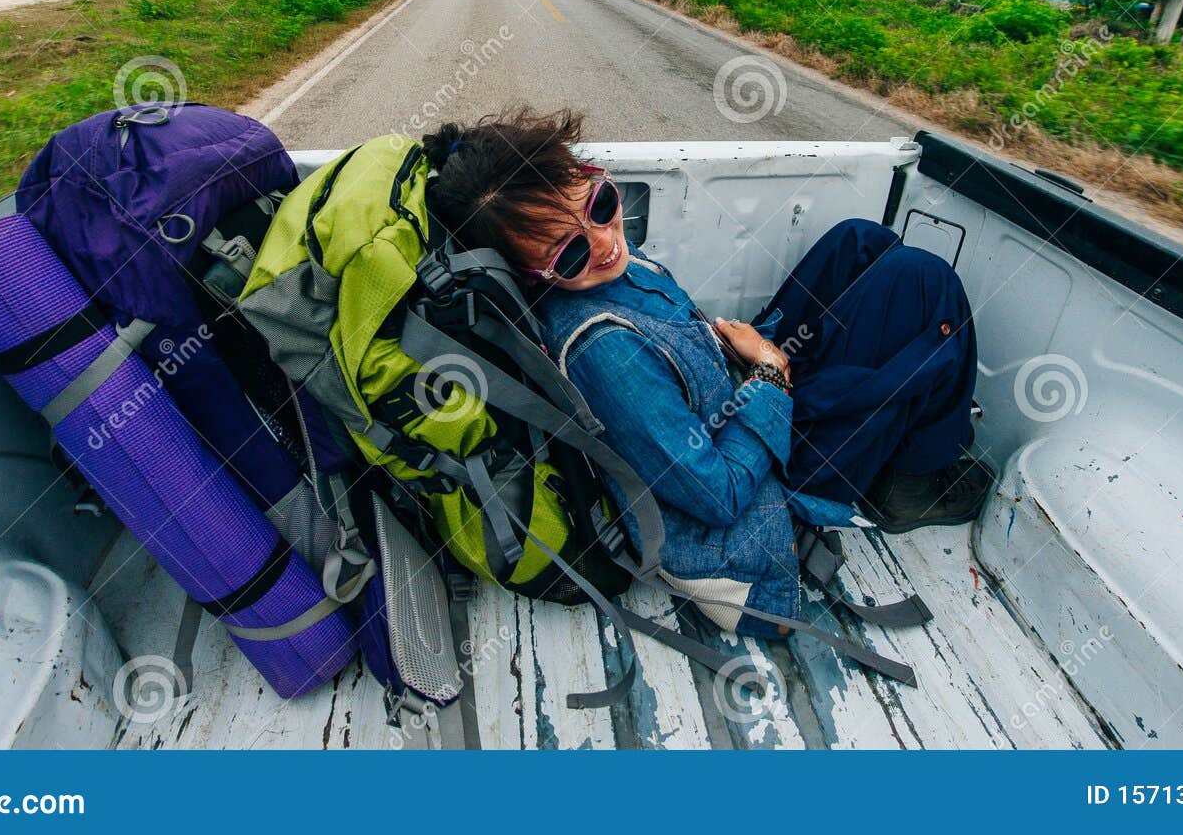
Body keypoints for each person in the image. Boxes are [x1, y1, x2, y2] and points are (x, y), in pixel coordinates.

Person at [422, 107, 988, 638]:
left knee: (858, 244)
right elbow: (716, 497)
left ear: (594, 177)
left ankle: (865, 412)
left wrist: (749, 354)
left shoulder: (609, 267)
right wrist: (768, 373)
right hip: (764, 494)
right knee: (923, 285)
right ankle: (912, 480)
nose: (603, 241)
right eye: (567, 252)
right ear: (528, 273)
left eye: (600, 205)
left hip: (728, 401)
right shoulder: (604, 351)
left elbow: (678, 357)